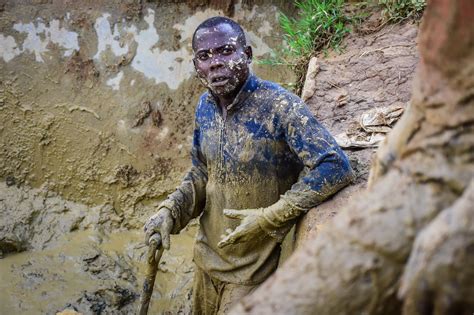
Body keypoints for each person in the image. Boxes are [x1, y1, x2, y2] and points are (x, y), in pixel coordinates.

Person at [144, 16, 354, 314]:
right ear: (196, 67)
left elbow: (335, 166)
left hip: (255, 272)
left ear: (248, 54)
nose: (215, 63)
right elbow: (202, 173)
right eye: (205, 56)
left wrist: (270, 217)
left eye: (226, 51)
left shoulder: (280, 107)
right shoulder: (205, 107)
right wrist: (171, 211)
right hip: (207, 260)